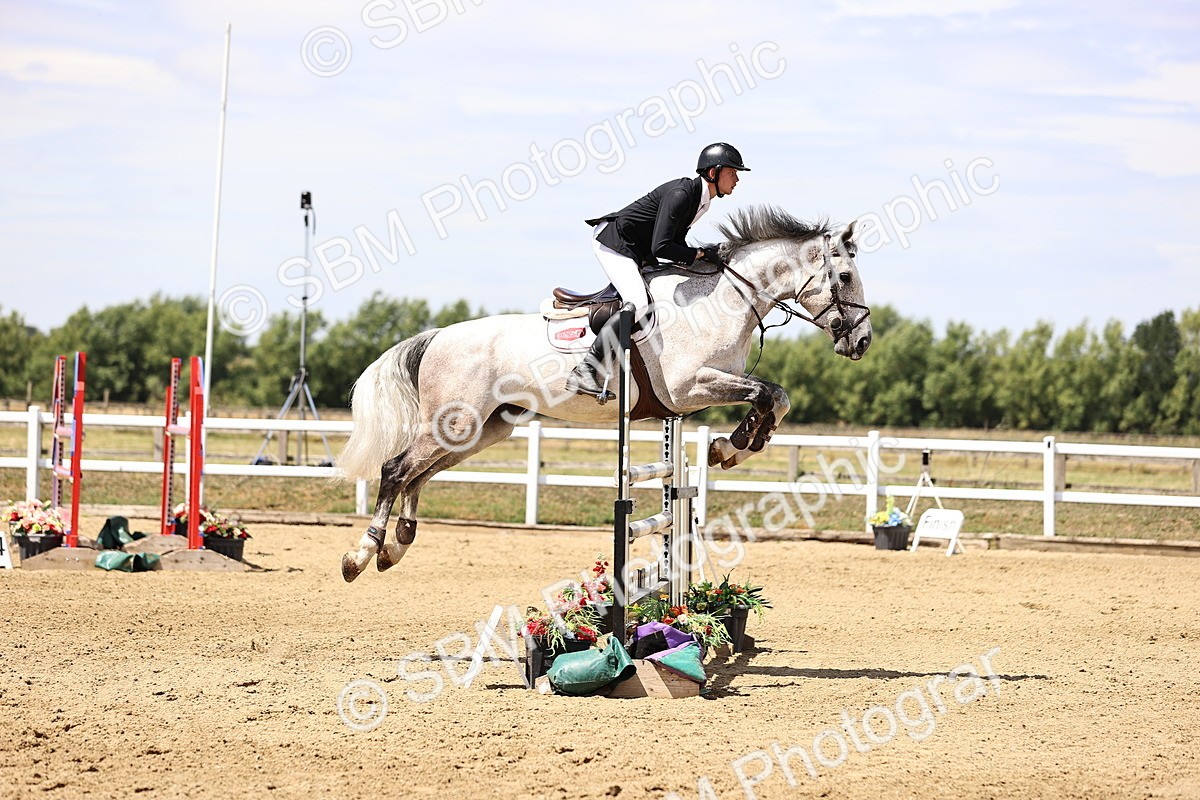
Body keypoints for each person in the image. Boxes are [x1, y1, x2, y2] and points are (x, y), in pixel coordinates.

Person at [565, 142, 751, 402]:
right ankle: (585, 369)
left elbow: (676, 243)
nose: (737, 178)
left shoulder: (702, 201)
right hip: (615, 242)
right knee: (639, 305)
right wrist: (699, 254)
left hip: (639, 250)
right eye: (732, 172)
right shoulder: (682, 194)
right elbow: (662, 246)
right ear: (713, 173)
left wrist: (702, 258)